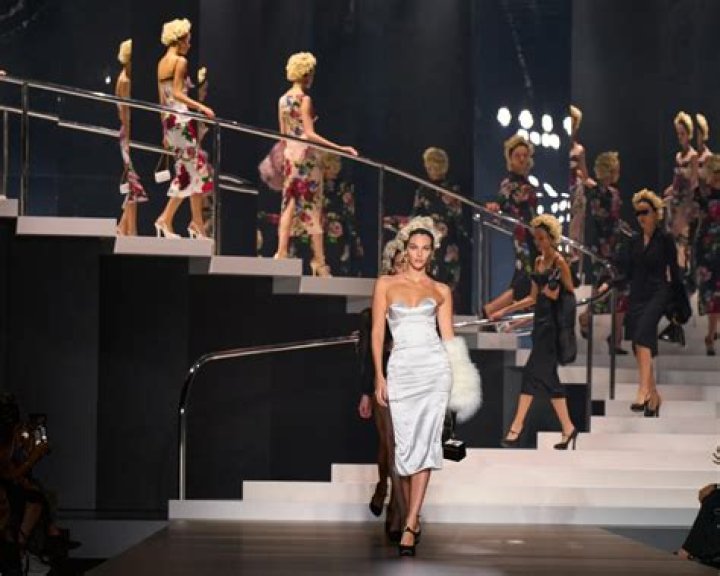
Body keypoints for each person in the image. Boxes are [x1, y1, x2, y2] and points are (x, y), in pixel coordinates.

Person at [371, 216, 453, 556]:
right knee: (403, 452)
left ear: (432, 252)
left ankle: (410, 521)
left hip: (434, 373)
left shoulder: (441, 290)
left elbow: (448, 339)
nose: (419, 254)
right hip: (401, 371)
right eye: (415, 248)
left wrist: (457, 383)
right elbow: (378, 332)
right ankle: (410, 516)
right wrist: (379, 376)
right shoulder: (386, 284)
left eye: (426, 249)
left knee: (426, 448)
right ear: (405, 249)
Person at [490, 215, 579, 450]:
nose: (539, 242)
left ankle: (516, 428)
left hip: (552, 328)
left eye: (542, 238)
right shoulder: (539, 262)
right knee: (550, 381)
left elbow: (570, 293)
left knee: (531, 374)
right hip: (540, 326)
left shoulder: (560, 262)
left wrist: (556, 292)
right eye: (536, 238)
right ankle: (568, 428)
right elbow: (532, 298)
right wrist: (505, 312)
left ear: (552, 238)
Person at [274, 52, 358, 276]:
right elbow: (310, 134)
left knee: (289, 204)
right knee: (313, 207)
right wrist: (339, 148)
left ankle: (281, 252)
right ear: (306, 74)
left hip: (290, 156)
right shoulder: (304, 100)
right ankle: (319, 262)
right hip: (307, 158)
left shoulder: (282, 100)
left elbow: (283, 135)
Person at [357, 238, 404, 541]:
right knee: (391, 445)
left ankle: (398, 510)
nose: (404, 268)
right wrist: (366, 391)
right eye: (399, 263)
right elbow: (366, 354)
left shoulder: (423, 299)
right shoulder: (375, 309)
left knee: (403, 448)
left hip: (414, 382)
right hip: (385, 383)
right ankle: (388, 495)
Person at [618, 189, 680, 416]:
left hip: (658, 292)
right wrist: (609, 283)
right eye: (638, 213)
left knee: (643, 335)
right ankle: (654, 396)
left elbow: (674, 272)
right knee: (638, 345)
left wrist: (677, 303)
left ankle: (643, 390)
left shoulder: (665, 240)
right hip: (638, 295)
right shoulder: (633, 241)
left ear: (656, 213)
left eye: (645, 212)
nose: (641, 217)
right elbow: (626, 271)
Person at [154, 18, 215, 239]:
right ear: (179, 40)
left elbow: (162, 99)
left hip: (170, 122)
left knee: (194, 170)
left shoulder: (161, 62)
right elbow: (178, 93)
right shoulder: (180, 61)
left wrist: (164, 130)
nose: (189, 45)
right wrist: (202, 107)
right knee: (187, 172)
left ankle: (197, 223)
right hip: (180, 120)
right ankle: (165, 218)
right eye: (187, 40)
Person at [483, 135, 538, 322]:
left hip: (534, 236)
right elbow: (500, 200)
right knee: (526, 279)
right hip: (523, 238)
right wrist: (494, 205)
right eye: (517, 155)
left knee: (526, 279)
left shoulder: (526, 183)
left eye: (525, 155)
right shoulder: (509, 183)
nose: (522, 159)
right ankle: (489, 311)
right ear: (510, 159)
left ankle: (492, 315)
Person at [578, 152, 629, 353]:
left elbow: (615, 219)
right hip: (601, 247)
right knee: (604, 286)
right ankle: (587, 316)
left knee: (622, 288)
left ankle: (615, 339)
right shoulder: (595, 191)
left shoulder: (614, 193)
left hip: (616, 246)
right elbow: (600, 220)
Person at [411, 147, 467, 301]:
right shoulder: (422, 189)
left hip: (448, 242)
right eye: (429, 166)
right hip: (429, 241)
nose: (432, 169)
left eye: (435, 165)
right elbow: (415, 215)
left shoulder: (452, 189)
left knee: (447, 282)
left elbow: (459, 218)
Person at [115, 39, 148, 237]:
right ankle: (130, 229)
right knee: (133, 183)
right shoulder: (126, 81)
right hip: (127, 133)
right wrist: (129, 137)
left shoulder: (124, 77)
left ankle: (124, 227)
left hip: (126, 132)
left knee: (133, 184)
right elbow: (125, 112)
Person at [664, 112, 698, 275]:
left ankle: (684, 275)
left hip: (686, 204)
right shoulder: (678, 156)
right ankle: (674, 274)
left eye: (682, 133)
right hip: (675, 202)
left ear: (689, 134)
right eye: (678, 133)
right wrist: (670, 189)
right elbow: (675, 181)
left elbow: (693, 184)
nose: (680, 137)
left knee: (684, 242)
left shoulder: (693, 156)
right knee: (672, 240)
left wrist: (686, 208)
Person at [321, 153, 364, 277]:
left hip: (340, 230)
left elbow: (350, 213)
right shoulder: (316, 183)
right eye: (330, 167)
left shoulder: (343, 186)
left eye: (336, 167)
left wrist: (355, 239)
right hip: (320, 228)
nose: (334, 171)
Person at [694, 154, 720, 355]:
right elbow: (690, 214)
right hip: (707, 248)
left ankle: (712, 333)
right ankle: (710, 335)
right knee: (712, 293)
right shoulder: (702, 193)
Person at [568, 105, 590, 252]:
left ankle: (573, 256)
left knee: (575, 231)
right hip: (560, 190)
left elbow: (585, 174)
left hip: (575, 192)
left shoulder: (579, 149)